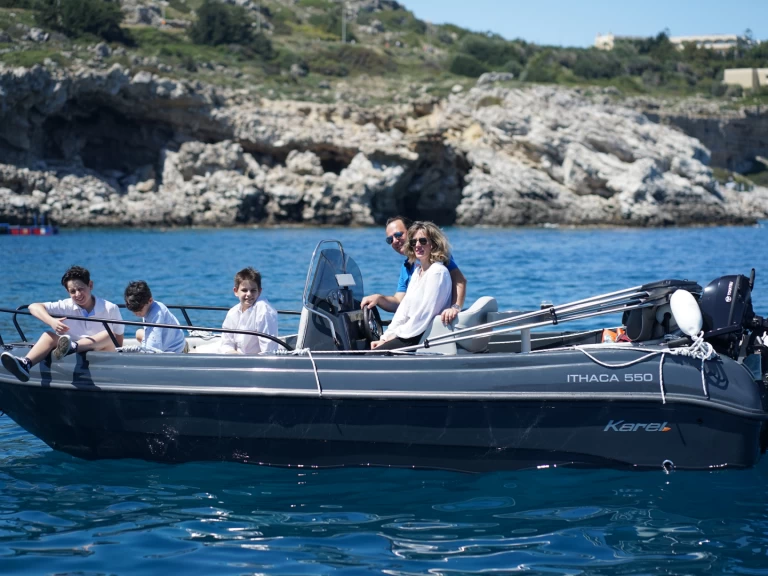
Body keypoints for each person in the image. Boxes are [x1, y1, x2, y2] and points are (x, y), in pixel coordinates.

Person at [0, 266, 124, 382]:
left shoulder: (110, 308)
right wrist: (51, 321)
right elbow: (33, 307)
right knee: (48, 335)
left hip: (101, 354)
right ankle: (25, 363)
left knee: (108, 334)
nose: (78, 294)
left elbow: (119, 343)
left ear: (90, 285)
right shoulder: (64, 306)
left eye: (81, 289)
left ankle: (71, 347)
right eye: (73, 291)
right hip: (70, 350)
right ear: (67, 291)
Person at [361, 216, 467, 324]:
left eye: (398, 235)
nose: (395, 241)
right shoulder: (406, 267)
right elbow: (399, 301)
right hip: (418, 322)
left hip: (438, 323)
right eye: (390, 239)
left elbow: (460, 280)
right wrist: (378, 299)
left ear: (411, 232)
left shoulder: (436, 258)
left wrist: (455, 307)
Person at [371, 221, 453, 350]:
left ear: (433, 244)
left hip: (421, 337)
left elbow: (423, 316)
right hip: (409, 333)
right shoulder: (417, 272)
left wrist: (395, 336)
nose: (417, 245)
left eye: (423, 241)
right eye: (414, 242)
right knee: (369, 351)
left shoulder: (437, 272)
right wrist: (385, 337)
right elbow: (402, 311)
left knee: (371, 357)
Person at [220, 267, 279, 354]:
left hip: (255, 360)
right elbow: (226, 344)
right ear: (236, 291)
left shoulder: (264, 312)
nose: (249, 294)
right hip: (237, 358)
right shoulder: (233, 312)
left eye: (253, 290)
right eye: (244, 290)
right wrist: (235, 356)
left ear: (259, 291)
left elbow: (268, 351)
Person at [124, 281, 187, 353]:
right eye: (133, 310)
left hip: (173, 349)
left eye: (139, 310)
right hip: (169, 339)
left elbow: (153, 349)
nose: (136, 314)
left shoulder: (157, 315)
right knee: (138, 333)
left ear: (150, 300)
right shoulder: (147, 307)